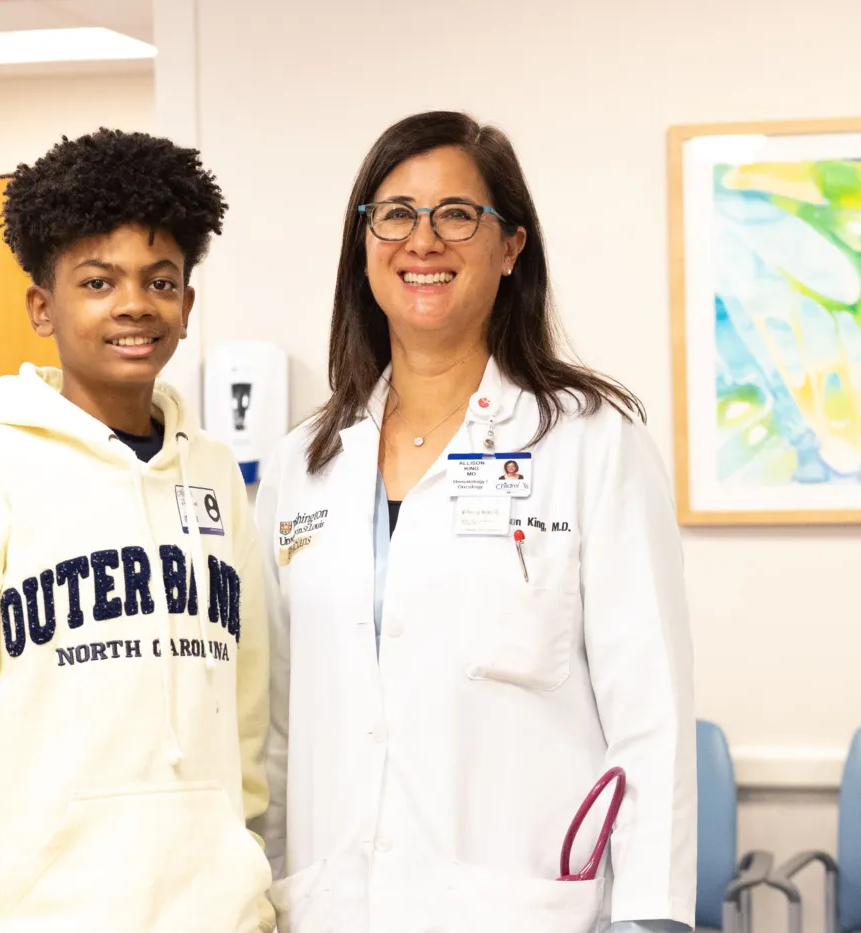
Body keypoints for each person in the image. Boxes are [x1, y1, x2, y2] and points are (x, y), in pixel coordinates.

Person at [253, 111, 696, 933]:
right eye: (395, 214)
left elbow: (653, 716)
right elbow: (278, 728)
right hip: (334, 906)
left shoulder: (590, 442)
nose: (423, 241)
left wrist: (649, 917)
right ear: (364, 241)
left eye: (458, 214)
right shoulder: (301, 466)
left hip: (523, 908)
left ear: (511, 247)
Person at [0, 128, 274, 933]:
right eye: (97, 280)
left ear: (187, 304)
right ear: (42, 306)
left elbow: (247, 719)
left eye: (161, 280)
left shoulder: (216, 475)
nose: (134, 304)